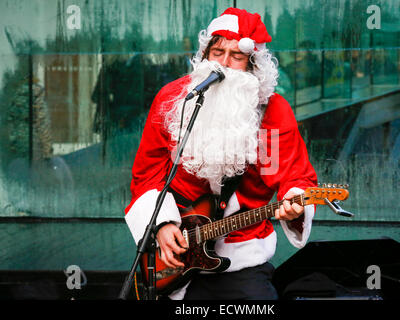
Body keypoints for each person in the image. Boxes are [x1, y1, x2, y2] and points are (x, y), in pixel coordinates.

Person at [124, 7, 317, 300]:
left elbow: (294, 175)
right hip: (174, 258)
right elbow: (147, 173)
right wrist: (162, 225)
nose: (223, 65)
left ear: (253, 65)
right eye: (217, 52)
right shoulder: (173, 99)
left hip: (242, 258)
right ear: (205, 55)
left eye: (236, 57)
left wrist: (295, 200)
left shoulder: (273, 113)